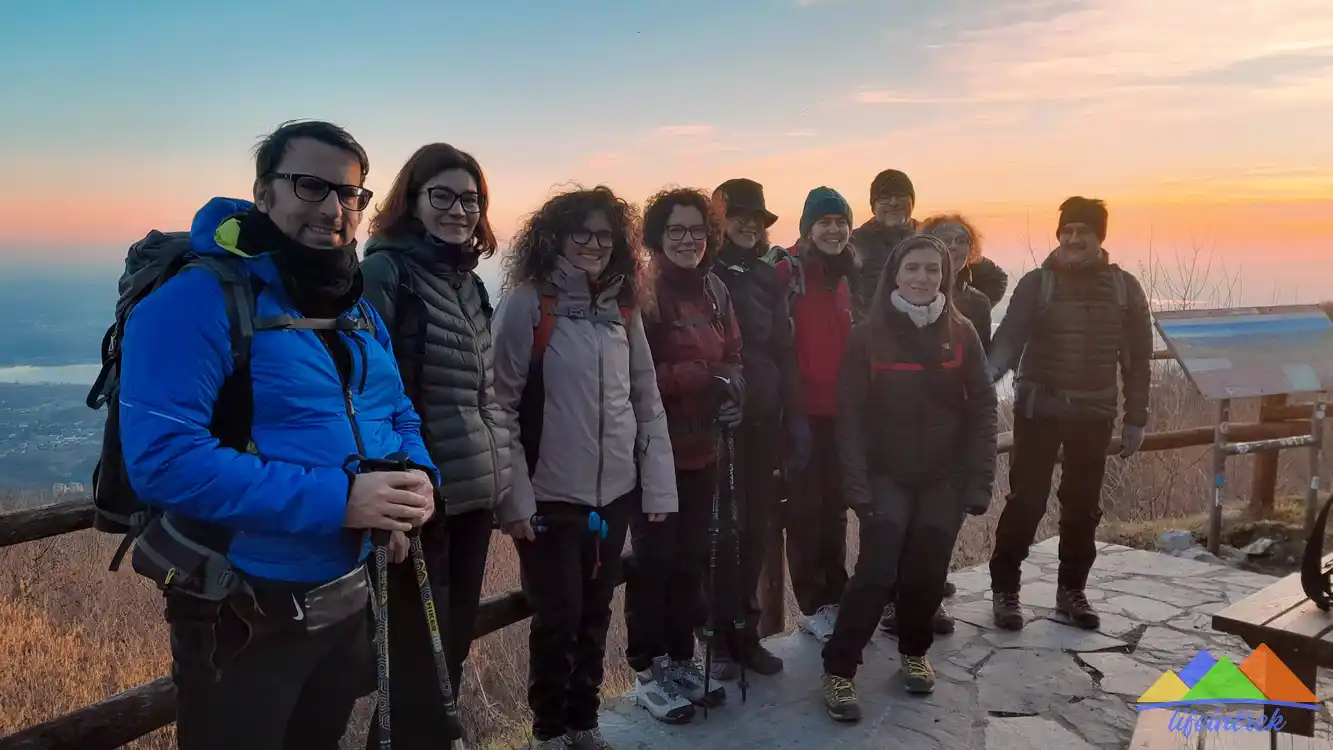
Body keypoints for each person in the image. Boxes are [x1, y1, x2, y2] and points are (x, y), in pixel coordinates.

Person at [117, 120, 439, 748]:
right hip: (239, 602)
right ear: (263, 194)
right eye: (311, 186)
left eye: (351, 194)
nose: (334, 209)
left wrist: (416, 483)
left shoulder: (353, 304)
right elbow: (164, 461)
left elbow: (396, 411)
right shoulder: (198, 300)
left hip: (345, 591)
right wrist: (344, 500)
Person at [493, 185, 677, 750]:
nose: (595, 244)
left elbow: (646, 400)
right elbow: (497, 404)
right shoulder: (529, 302)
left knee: (596, 612)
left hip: (615, 492)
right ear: (554, 237)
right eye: (583, 233)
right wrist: (515, 499)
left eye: (605, 234)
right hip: (550, 496)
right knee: (558, 619)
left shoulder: (622, 307)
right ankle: (548, 730)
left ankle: (584, 722)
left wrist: (658, 490)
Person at [358, 142, 512, 747]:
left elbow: (485, 391)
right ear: (412, 202)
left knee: (447, 653)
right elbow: (368, 391)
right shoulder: (385, 273)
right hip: (417, 500)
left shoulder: (467, 282)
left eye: (470, 199)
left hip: (470, 497)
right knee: (415, 665)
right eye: (442, 196)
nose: (458, 210)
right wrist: (392, 503)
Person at [820, 234, 997, 722]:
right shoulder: (869, 335)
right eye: (913, 268)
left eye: (933, 270)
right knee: (877, 572)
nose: (923, 278)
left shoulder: (962, 335)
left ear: (946, 276)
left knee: (928, 570)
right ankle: (838, 670)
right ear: (895, 275)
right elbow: (850, 415)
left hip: (944, 476)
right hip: (885, 474)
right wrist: (855, 484)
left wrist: (978, 481)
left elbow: (983, 410)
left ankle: (914, 651)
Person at [986, 196, 1152, 632]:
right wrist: (980, 383)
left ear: (1100, 237)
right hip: (1039, 408)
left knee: (1082, 506)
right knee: (1026, 501)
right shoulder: (1036, 283)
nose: (1075, 238)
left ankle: (1071, 590)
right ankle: (1005, 589)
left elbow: (1137, 360)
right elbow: (1007, 341)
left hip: (1094, 410)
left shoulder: (1124, 288)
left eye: (1085, 231)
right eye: (1068, 230)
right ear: (1059, 234)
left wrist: (1137, 418)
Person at [625, 186, 743, 722]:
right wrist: (707, 376)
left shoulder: (716, 289)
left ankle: (680, 658)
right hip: (655, 453)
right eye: (676, 230)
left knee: (692, 558)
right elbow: (635, 374)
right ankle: (649, 670)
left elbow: (735, 355)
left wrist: (736, 389)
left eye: (697, 230)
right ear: (657, 236)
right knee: (656, 561)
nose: (688, 240)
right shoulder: (643, 292)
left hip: (705, 448)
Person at [876, 213, 999, 640]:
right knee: (905, 527)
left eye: (962, 241)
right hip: (911, 429)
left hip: (956, 427)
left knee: (938, 529)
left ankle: (926, 603)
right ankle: (901, 603)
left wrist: (979, 385)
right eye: (943, 240)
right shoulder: (898, 306)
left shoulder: (977, 304)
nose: (954, 248)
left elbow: (987, 363)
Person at [707, 178, 806, 679]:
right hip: (721, 424)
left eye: (756, 217)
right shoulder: (705, 272)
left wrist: (794, 420)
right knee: (721, 532)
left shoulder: (769, 278)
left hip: (765, 420)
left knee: (756, 529)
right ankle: (719, 641)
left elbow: (784, 351)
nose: (749, 224)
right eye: (738, 214)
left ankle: (746, 634)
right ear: (719, 220)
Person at [772, 187, 857, 643]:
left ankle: (836, 595)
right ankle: (813, 604)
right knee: (806, 511)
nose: (835, 230)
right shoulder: (786, 269)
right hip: (800, 415)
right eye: (825, 222)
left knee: (836, 509)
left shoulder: (843, 275)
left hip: (839, 414)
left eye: (841, 222)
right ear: (807, 227)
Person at [848, 169, 918, 323]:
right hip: (873, 332)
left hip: (922, 333)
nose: (893, 203)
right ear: (873, 207)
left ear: (912, 201)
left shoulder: (929, 236)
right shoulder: (856, 240)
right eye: (885, 198)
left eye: (900, 195)